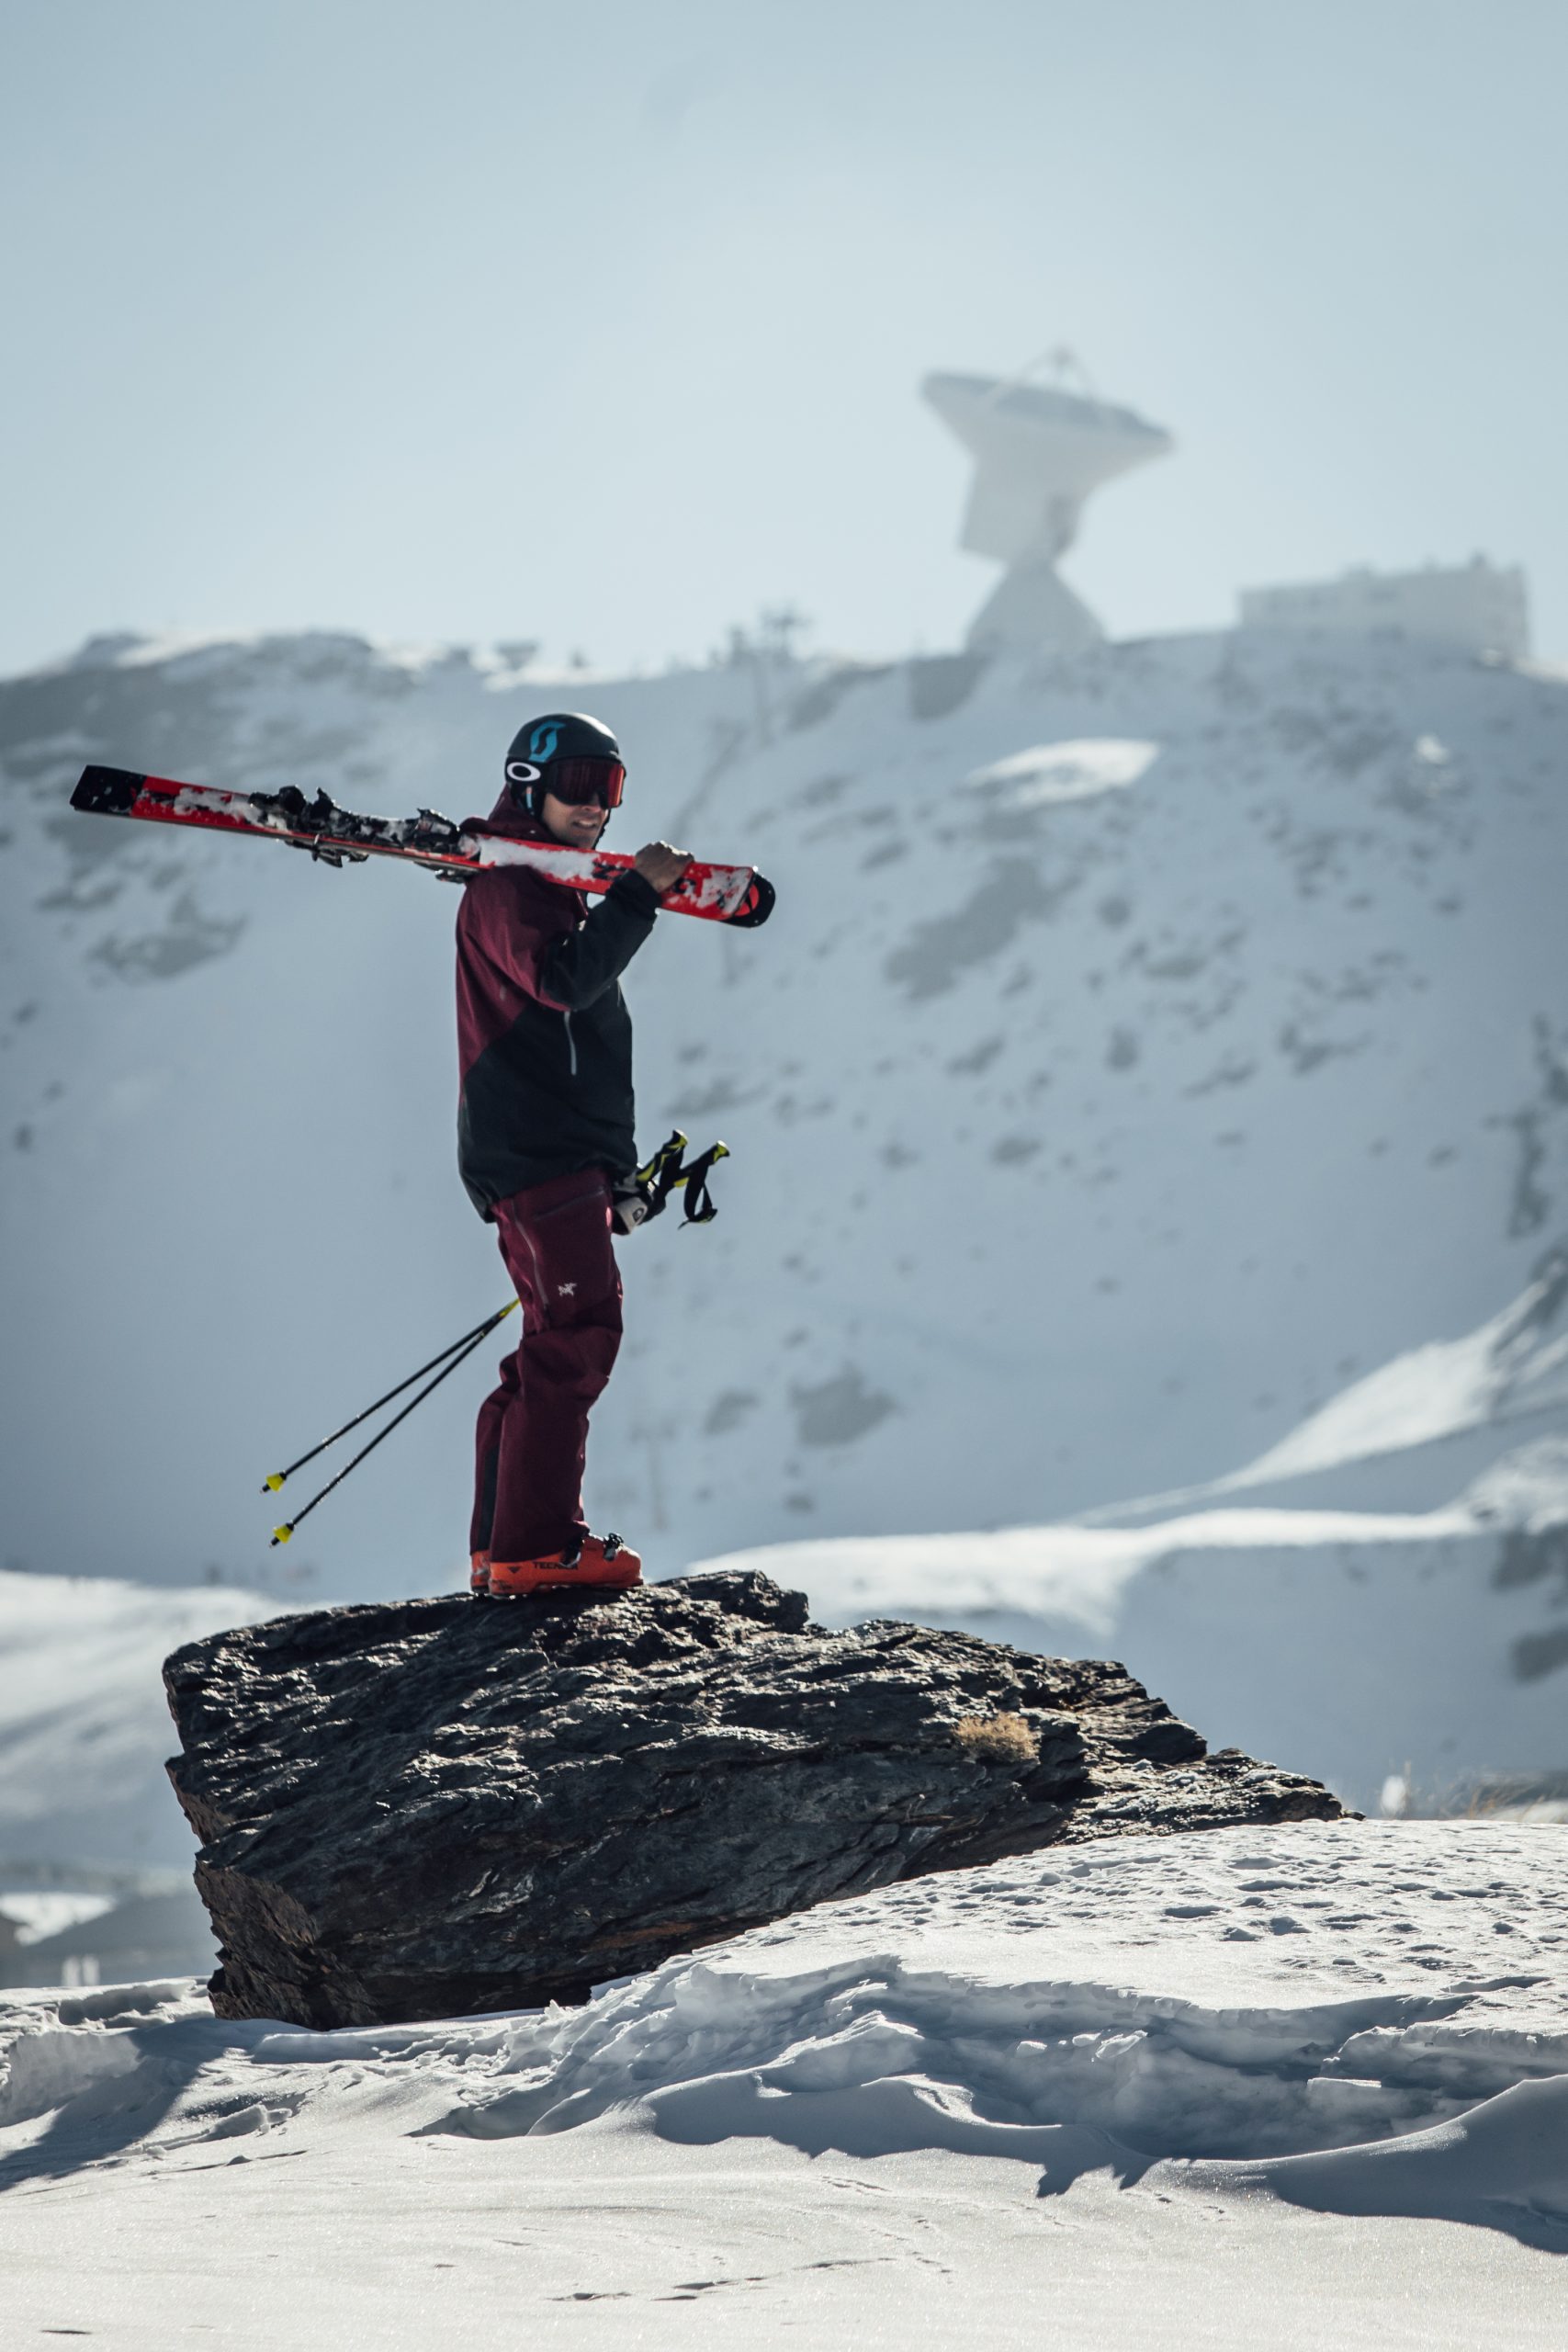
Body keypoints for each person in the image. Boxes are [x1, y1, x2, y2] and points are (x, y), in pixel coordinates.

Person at [455, 713, 691, 1598]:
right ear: (528, 783)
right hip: (538, 1157)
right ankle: (536, 1548)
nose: (598, 808)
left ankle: (501, 1547)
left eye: (613, 789)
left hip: (553, 1159)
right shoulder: (509, 888)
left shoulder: (544, 887)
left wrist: (618, 1177)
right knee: (577, 1343)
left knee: (547, 1350)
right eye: (582, 786)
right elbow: (562, 984)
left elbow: (582, 1044)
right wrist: (637, 897)